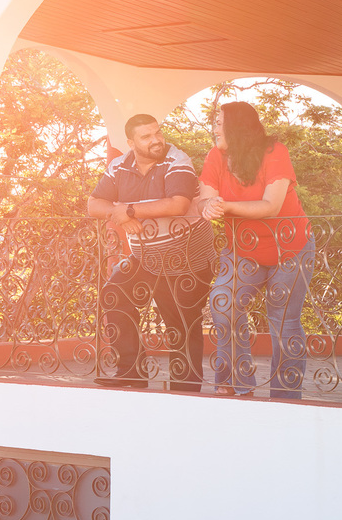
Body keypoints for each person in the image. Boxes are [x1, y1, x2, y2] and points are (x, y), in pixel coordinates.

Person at [88, 113, 214, 391]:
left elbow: (178, 204)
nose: (156, 140)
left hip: (186, 257)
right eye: (146, 136)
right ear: (132, 142)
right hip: (145, 256)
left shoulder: (177, 161)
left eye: (157, 133)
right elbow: (94, 204)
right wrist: (119, 214)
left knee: (180, 319)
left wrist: (130, 210)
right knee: (114, 294)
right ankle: (131, 372)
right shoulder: (119, 166)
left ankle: (185, 387)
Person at [199, 101, 315, 399]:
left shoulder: (275, 152)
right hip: (243, 251)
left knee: (283, 320)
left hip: (291, 249)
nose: (214, 128)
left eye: (219, 122)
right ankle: (238, 383)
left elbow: (271, 206)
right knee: (223, 306)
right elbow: (206, 199)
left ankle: (285, 396)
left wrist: (225, 207)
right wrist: (209, 205)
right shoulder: (216, 156)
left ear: (237, 127)